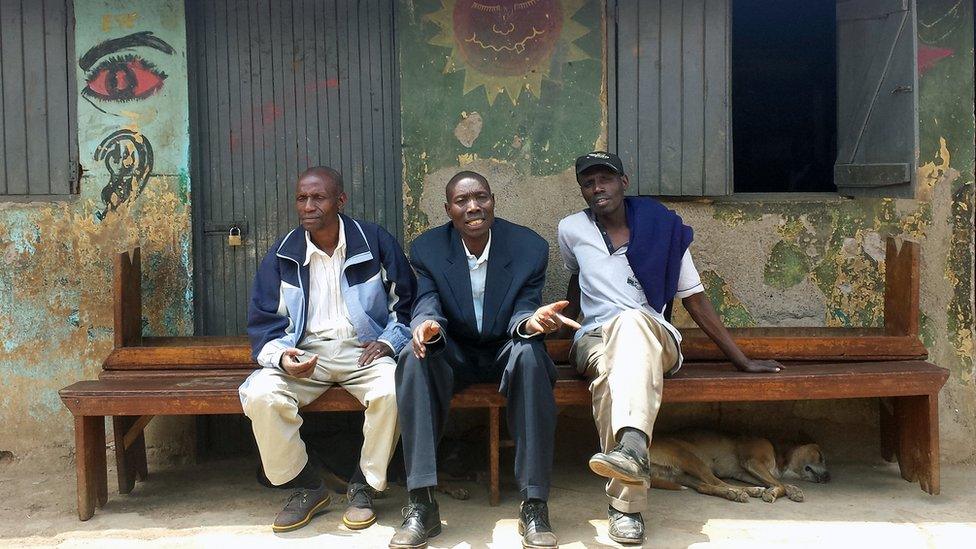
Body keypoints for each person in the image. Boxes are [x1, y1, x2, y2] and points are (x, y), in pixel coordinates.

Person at [557, 152, 784, 545]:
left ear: (624, 182)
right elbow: (578, 281)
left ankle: (627, 490)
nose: (598, 188)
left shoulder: (662, 228)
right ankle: (629, 473)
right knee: (613, 372)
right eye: (588, 182)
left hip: (655, 338)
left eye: (605, 179)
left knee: (631, 322)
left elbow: (694, 298)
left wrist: (741, 359)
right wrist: (559, 338)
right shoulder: (571, 229)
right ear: (582, 190)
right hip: (595, 340)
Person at [390, 171, 578, 549]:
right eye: (462, 201)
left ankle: (535, 504)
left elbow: (523, 309)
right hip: (454, 349)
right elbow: (427, 299)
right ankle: (421, 504)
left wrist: (532, 321)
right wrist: (426, 324)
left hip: (507, 345)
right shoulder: (427, 249)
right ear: (449, 210)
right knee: (414, 358)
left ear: (493, 201)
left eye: (481, 197)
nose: (473, 207)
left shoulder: (528, 248)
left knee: (530, 356)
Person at [240, 166, 416, 533]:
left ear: (340, 200)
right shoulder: (283, 254)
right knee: (260, 393)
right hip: (307, 354)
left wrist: (388, 342)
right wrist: (282, 357)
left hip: (364, 349)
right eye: (302, 198)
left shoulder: (374, 241)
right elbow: (264, 321)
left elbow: (407, 304)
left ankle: (364, 485)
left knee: (394, 389)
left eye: (318, 197)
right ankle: (305, 486)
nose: (308, 206)